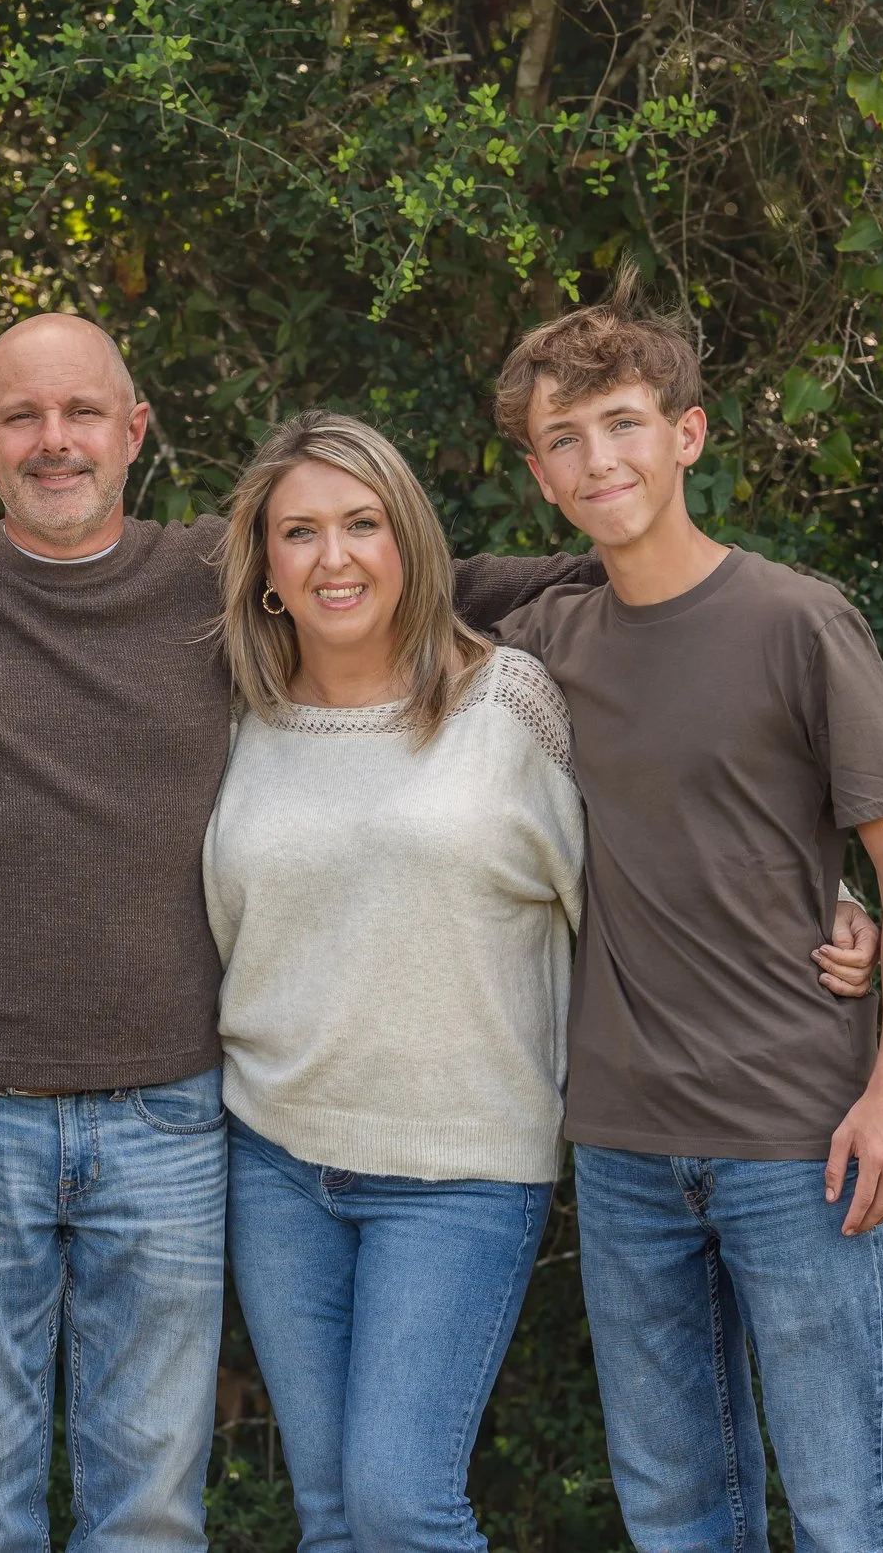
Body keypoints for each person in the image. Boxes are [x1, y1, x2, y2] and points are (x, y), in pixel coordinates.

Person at [0, 312, 879, 1553]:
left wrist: (787, 891)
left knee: (163, 1511)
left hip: (178, 1122)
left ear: (134, 431)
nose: (56, 440)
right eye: (23, 415)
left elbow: (520, 600)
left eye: (84, 411)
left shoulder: (242, 587)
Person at [492, 273, 883, 1553]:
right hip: (624, 1144)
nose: (600, 459)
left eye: (625, 423)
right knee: (680, 1514)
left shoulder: (796, 621)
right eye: (564, 440)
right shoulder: (545, 633)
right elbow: (374, 594)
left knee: (849, 1505)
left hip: (797, 1139)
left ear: (687, 433)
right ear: (540, 474)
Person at [203, 411, 584, 1553]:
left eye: (362, 523)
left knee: (398, 1503)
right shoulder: (237, 720)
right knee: (328, 1515)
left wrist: (826, 898)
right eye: (300, 532)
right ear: (265, 566)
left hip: (461, 1168)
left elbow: (662, 853)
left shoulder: (510, 702)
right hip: (274, 1158)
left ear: (409, 541)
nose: (335, 557)